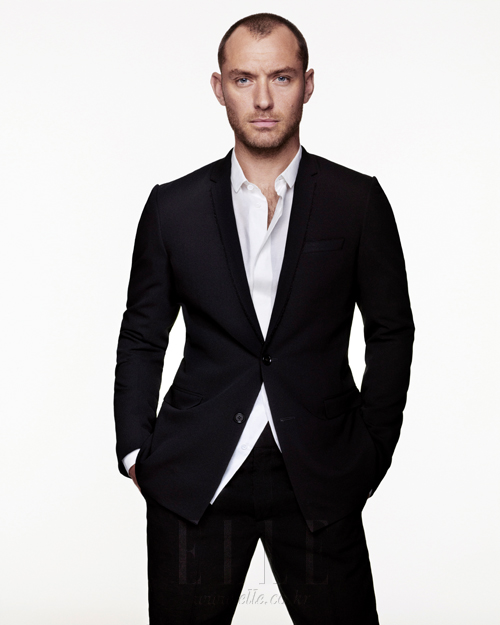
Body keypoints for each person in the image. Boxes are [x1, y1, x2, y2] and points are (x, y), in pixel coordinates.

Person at [114, 12, 414, 625]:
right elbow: (143, 333)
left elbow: (391, 331)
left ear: (308, 84)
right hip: (195, 473)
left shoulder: (357, 201)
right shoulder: (173, 207)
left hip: (320, 469)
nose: (263, 100)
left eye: (280, 77)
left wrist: (372, 448)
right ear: (219, 87)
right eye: (243, 79)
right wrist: (135, 448)